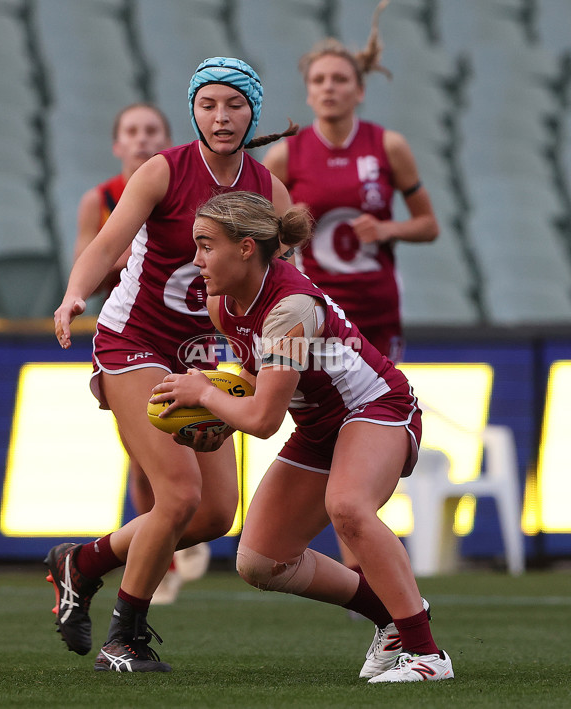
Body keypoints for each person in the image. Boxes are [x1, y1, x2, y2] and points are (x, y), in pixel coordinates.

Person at [47, 57, 295, 673]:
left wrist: (291, 351)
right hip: (133, 339)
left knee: (214, 514)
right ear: (194, 109)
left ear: (251, 110)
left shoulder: (270, 191)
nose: (221, 114)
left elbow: (289, 288)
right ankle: (123, 637)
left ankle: (83, 563)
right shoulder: (164, 170)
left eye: (234, 103)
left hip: (202, 354)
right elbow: (106, 245)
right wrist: (75, 293)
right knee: (178, 494)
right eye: (208, 103)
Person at [150, 190, 453, 683]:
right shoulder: (222, 302)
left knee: (349, 508)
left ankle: (429, 655)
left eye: (206, 245)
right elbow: (255, 381)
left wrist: (206, 394)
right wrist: (219, 418)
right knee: (260, 560)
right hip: (320, 426)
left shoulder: (291, 307)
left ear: (246, 247)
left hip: (376, 409)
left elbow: (266, 420)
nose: (196, 258)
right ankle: (391, 619)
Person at [262, 1, 439, 594]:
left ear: (359, 90)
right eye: (319, 81)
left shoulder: (387, 146)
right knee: (334, 442)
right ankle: (375, 598)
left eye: (340, 79)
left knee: (360, 447)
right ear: (308, 93)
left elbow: (429, 225)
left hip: (375, 313)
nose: (330, 88)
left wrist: (387, 229)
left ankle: (381, 596)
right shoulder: (287, 155)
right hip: (311, 320)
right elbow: (268, 240)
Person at [73, 102, 209, 605]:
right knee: (147, 465)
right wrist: (120, 262)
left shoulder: (186, 183)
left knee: (206, 499)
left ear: (167, 137)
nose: (141, 138)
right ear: (117, 143)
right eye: (130, 130)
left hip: (197, 342)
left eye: (151, 130)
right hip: (136, 337)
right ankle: (158, 574)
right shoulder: (103, 198)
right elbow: (93, 255)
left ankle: (125, 552)